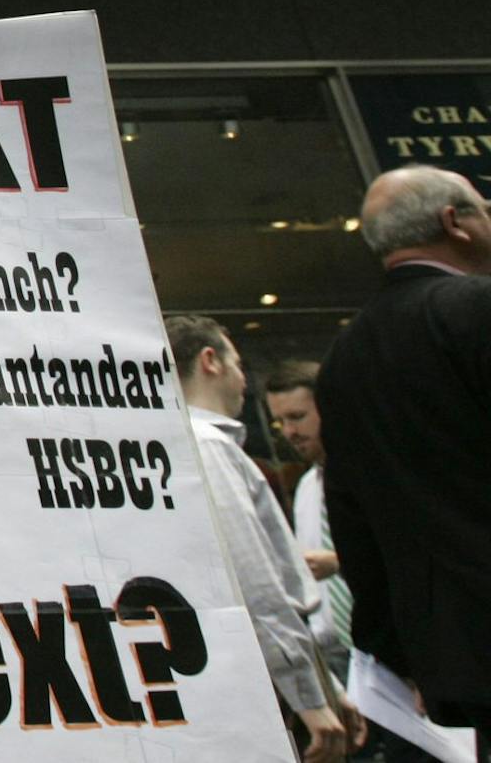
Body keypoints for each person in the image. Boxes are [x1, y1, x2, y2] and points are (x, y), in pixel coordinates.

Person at [321, 166, 491, 761]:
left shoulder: (345, 357)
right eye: (482, 206)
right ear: (455, 222)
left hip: (454, 650)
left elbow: (351, 516)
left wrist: (398, 651)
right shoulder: (477, 308)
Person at [168, 315, 363, 763]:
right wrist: (311, 699)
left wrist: (325, 687)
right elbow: (257, 586)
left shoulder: (199, 444)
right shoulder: (209, 447)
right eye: (238, 362)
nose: (243, 379)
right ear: (210, 360)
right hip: (266, 688)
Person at [266, 362, 352, 684]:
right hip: (332, 652)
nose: (289, 432)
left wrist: (340, 562)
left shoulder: (374, 475)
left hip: (384, 646)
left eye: (297, 417)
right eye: (280, 422)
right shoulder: (306, 488)